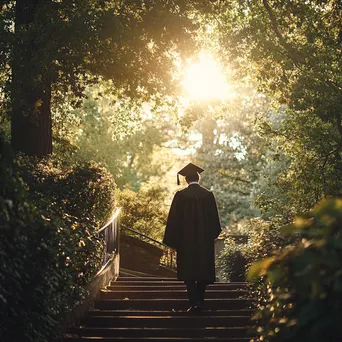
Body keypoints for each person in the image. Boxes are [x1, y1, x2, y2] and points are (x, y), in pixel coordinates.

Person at [163, 163, 222, 312]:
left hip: (185, 243)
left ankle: (194, 303)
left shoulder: (180, 196)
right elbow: (215, 222)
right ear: (198, 178)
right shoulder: (208, 195)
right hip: (204, 243)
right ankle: (200, 302)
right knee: (203, 272)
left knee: (189, 273)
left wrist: (174, 241)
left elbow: (173, 220)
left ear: (186, 180)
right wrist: (209, 237)